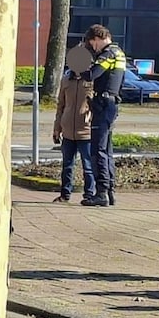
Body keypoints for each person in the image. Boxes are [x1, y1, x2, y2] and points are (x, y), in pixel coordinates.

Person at [77, 24, 125, 207]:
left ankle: (101, 193)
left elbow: (92, 75)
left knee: (98, 150)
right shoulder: (119, 52)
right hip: (111, 103)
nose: (93, 48)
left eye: (92, 44)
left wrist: (79, 64)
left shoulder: (108, 54)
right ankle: (110, 192)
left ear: (97, 39)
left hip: (103, 105)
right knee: (107, 150)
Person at [51, 67, 95, 203]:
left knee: (88, 165)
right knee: (67, 165)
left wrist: (90, 116)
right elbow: (61, 105)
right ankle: (65, 194)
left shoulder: (91, 80)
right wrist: (57, 127)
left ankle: (89, 195)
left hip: (86, 131)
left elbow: (97, 105)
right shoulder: (66, 80)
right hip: (68, 131)